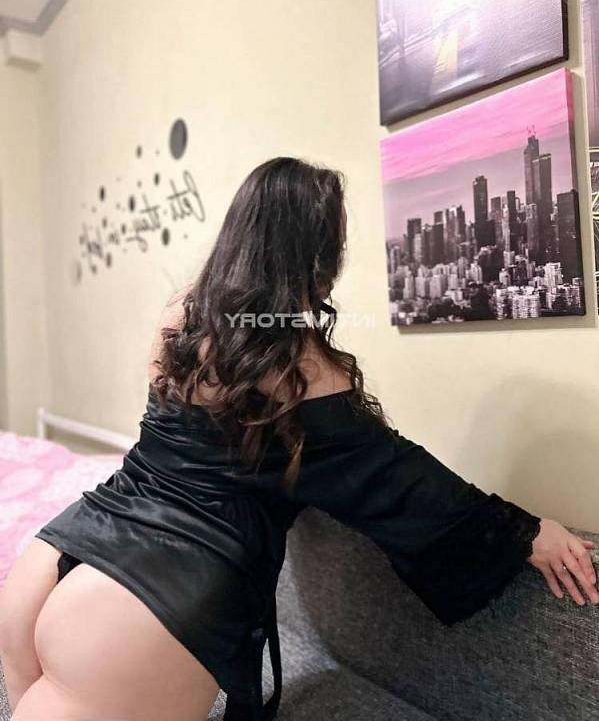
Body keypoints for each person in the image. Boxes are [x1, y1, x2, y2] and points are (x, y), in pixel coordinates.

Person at [0, 157, 597, 721]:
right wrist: (522, 531)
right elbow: (400, 479)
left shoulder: (180, 316)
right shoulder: (307, 373)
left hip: (61, 549)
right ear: (315, 257)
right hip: (157, 594)